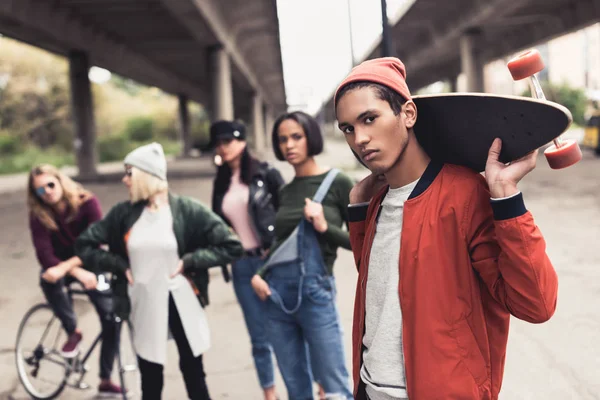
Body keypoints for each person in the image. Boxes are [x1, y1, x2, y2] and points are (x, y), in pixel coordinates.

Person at [334, 57, 559, 399]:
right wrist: (359, 210)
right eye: (348, 128)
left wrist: (506, 200)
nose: (360, 139)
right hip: (369, 388)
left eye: (369, 119)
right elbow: (386, 291)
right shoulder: (374, 202)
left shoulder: (463, 193)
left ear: (407, 114)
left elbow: (536, 304)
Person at [75, 142, 243, 400]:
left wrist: (191, 261)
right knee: (150, 376)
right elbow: (85, 244)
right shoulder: (124, 213)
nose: (124, 180)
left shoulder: (187, 210)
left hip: (181, 298)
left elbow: (231, 245)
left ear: (145, 175)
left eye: (129, 173)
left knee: (193, 371)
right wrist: (118, 265)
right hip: (144, 300)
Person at [251, 111, 354, 399]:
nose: (289, 145)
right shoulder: (285, 192)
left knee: (335, 388)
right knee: (297, 389)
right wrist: (259, 275)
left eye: (296, 136)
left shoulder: (338, 182)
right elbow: (279, 243)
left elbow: (363, 243)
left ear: (311, 137)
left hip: (315, 294)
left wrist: (324, 226)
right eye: (282, 139)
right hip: (276, 298)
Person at [27, 164, 124, 396]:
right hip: (58, 268)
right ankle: (73, 331)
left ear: (60, 181)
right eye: (40, 190)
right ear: (36, 195)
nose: (48, 192)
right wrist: (73, 272)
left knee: (112, 317)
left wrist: (74, 268)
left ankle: (105, 378)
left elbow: (96, 243)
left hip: (90, 265)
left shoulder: (87, 203)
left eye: (50, 185)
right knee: (47, 277)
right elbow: (44, 254)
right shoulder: (39, 215)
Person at [210, 120, 285, 400]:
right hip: (241, 265)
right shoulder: (220, 182)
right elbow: (215, 223)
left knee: (287, 327)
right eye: (218, 143)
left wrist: (276, 250)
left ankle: (311, 385)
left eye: (227, 141)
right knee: (258, 336)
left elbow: (287, 216)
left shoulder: (267, 174)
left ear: (242, 141)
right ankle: (269, 392)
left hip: (271, 262)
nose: (222, 147)